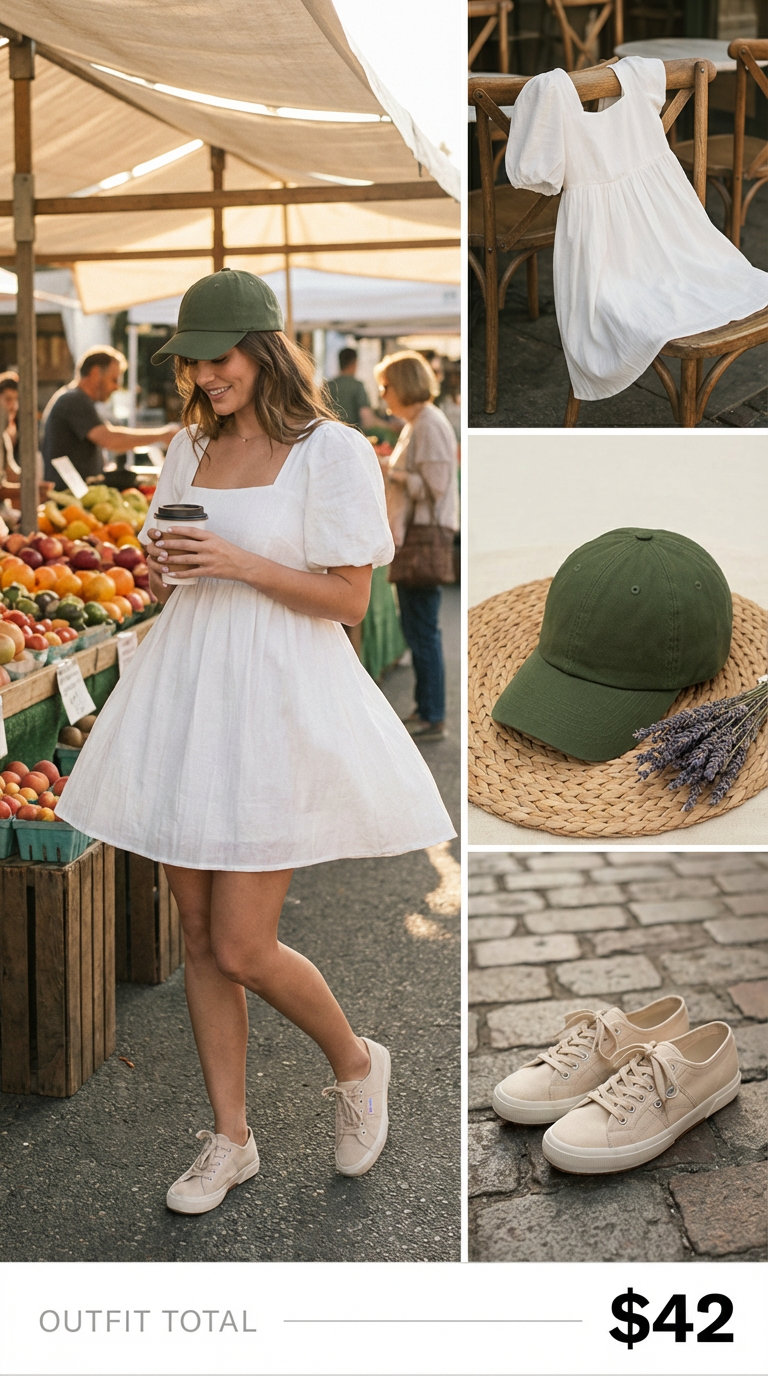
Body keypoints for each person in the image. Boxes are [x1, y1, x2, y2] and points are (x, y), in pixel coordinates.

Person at [56, 268, 455, 1216]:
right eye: (191, 362)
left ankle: (358, 1065)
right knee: (197, 934)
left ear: (266, 348)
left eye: (218, 357)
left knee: (241, 943)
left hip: (276, 694)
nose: (203, 376)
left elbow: (350, 601)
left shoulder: (334, 452)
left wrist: (236, 560)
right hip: (191, 686)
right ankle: (230, 1138)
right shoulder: (189, 449)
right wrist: (163, 570)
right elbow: (169, 576)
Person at [374, 350, 459, 743]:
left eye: (386, 386)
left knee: (423, 630)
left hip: (424, 537)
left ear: (404, 385)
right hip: (415, 536)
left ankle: (433, 714)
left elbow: (435, 486)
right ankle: (427, 709)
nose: (382, 394)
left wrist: (392, 471)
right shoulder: (418, 423)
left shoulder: (428, 424)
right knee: (419, 628)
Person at [41, 345, 180, 484]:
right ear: (96, 373)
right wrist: (163, 435)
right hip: (68, 499)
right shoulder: (74, 400)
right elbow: (110, 439)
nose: (117, 387)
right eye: (114, 379)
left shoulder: (76, 399)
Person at [325, 346, 377, 432]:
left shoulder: (327, 386)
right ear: (354, 363)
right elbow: (367, 419)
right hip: (352, 435)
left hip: (329, 434)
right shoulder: (357, 386)